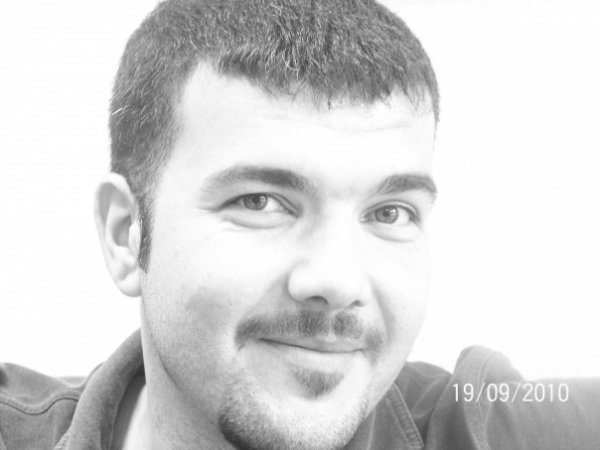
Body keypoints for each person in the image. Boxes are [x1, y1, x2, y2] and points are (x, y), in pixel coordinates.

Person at [0, 0, 598, 449]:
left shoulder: (486, 424)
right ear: (126, 233)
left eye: (389, 213)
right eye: (260, 202)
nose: (337, 281)